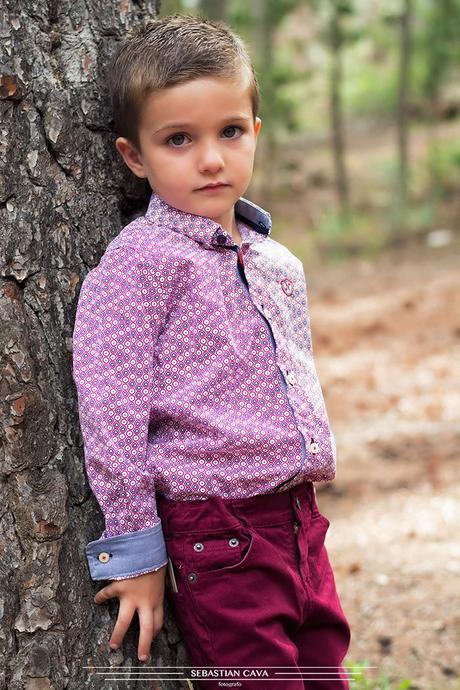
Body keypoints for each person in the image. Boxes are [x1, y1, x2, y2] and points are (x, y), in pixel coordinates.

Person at [72, 13, 352, 690]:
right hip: (219, 533)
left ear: (255, 132)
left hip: (298, 520)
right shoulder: (141, 266)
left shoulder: (277, 263)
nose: (210, 158)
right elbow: (111, 418)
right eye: (178, 139)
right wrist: (136, 557)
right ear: (134, 156)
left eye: (229, 131)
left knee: (328, 678)